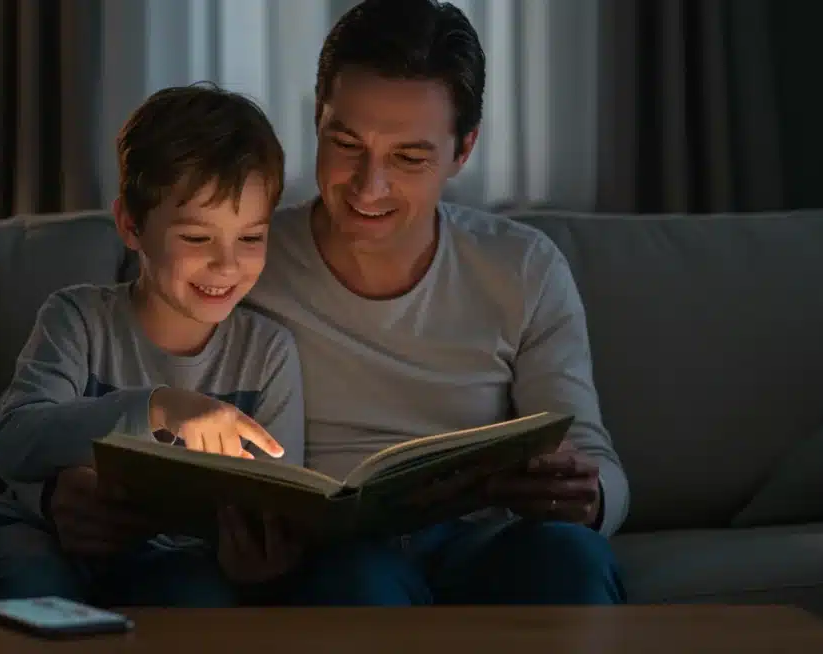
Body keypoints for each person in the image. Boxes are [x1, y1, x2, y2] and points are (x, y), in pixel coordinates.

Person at [238, 0, 630, 604]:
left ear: (463, 150)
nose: (368, 187)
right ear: (317, 120)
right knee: (357, 583)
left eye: (409, 158)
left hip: (483, 543)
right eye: (345, 143)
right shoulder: (242, 260)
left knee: (573, 558)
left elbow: (597, 460)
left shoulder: (523, 267)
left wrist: (587, 492)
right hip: (335, 556)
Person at [0, 84, 308, 607]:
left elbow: (281, 501)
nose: (227, 264)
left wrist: (257, 557)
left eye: (250, 238)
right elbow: (13, 436)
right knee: (28, 581)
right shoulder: (77, 318)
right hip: (35, 533)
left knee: (200, 601)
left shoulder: (267, 353)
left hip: (172, 558)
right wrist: (158, 408)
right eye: (196, 238)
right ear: (130, 225)